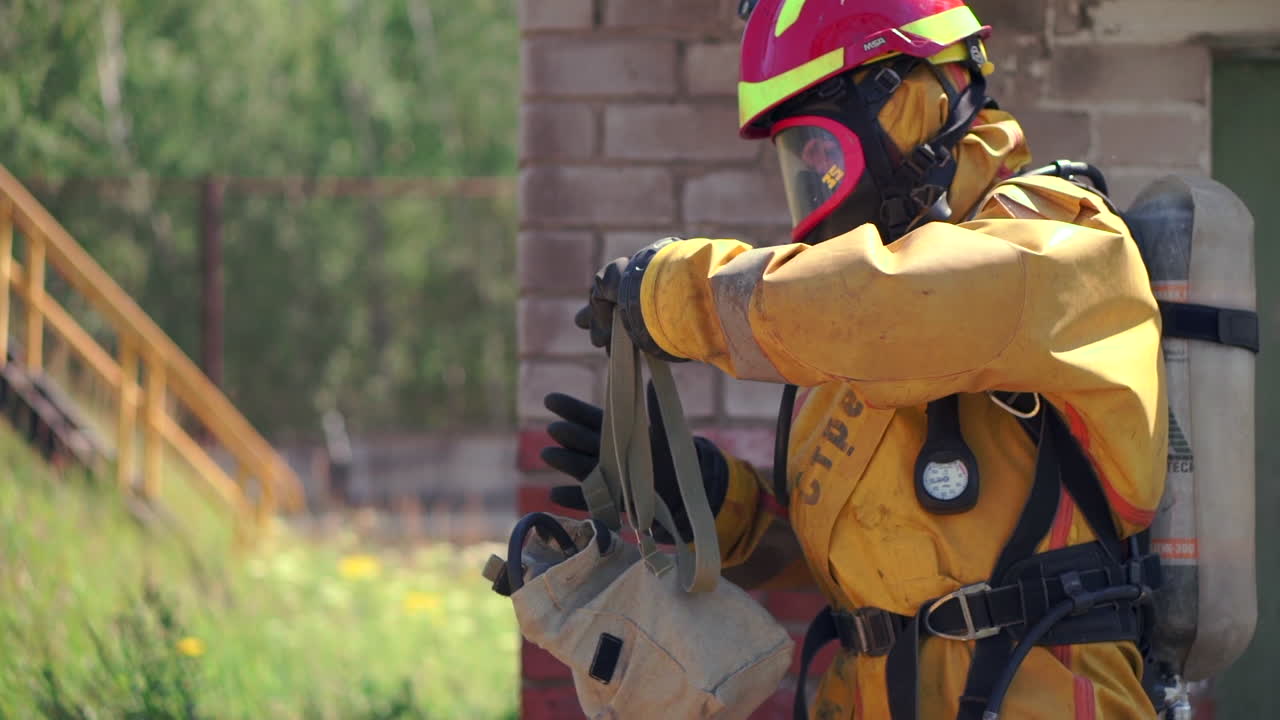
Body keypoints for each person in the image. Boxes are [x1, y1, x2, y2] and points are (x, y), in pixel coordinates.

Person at [540, 1, 1168, 718]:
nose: (812, 164)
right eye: (795, 149)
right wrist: (719, 504)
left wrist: (682, 295)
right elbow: (864, 568)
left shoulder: (1059, 242)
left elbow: (896, 302)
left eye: (819, 134)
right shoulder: (839, 349)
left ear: (916, 95)